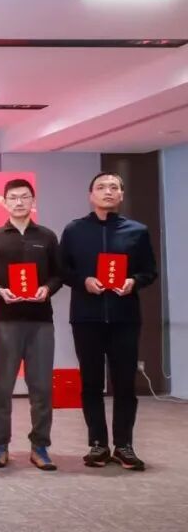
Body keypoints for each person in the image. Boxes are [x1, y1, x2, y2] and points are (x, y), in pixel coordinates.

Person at [59, 172, 158, 471]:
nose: (108, 191)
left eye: (114, 187)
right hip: (86, 318)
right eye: (101, 187)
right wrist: (84, 281)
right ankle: (98, 444)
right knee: (90, 383)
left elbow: (149, 271)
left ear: (121, 195)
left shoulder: (137, 231)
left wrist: (133, 281)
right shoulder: (75, 230)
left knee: (125, 383)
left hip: (124, 318)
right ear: (91, 195)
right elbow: (63, 270)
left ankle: (124, 445)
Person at [0, 178, 62, 471]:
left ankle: (40, 446)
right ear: (4, 202)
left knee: (41, 387)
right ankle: (0, 445)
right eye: (13, 197)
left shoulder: (47, 237)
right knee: (1, 387)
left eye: (24, 197)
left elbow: (59, 274)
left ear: (32, 201)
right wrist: (0, 291)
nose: (19, 202)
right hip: (5, 322)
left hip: (41, 323)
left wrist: (47, 289)